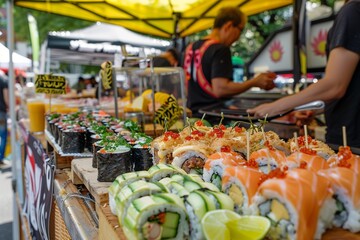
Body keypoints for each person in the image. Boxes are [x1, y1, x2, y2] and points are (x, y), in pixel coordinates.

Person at [247, 0, 360, 148]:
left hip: (351, 140)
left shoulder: (352, 11)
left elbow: (335, 85)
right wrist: (313, 108)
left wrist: (277, 106)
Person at [183, 6, 276, 119]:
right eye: (240, 30)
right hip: (213, 120)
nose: (238, 37)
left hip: (192, 117)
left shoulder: (190, 48)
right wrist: (254, 82)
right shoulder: (220, 49)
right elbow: (221, 89)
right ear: (229, 26)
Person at [0, 71, 9, 165]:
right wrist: (10, 107)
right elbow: (6, 97)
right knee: (3, 135)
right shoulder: (3, 80)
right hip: (1, 112)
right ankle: (0, 158)